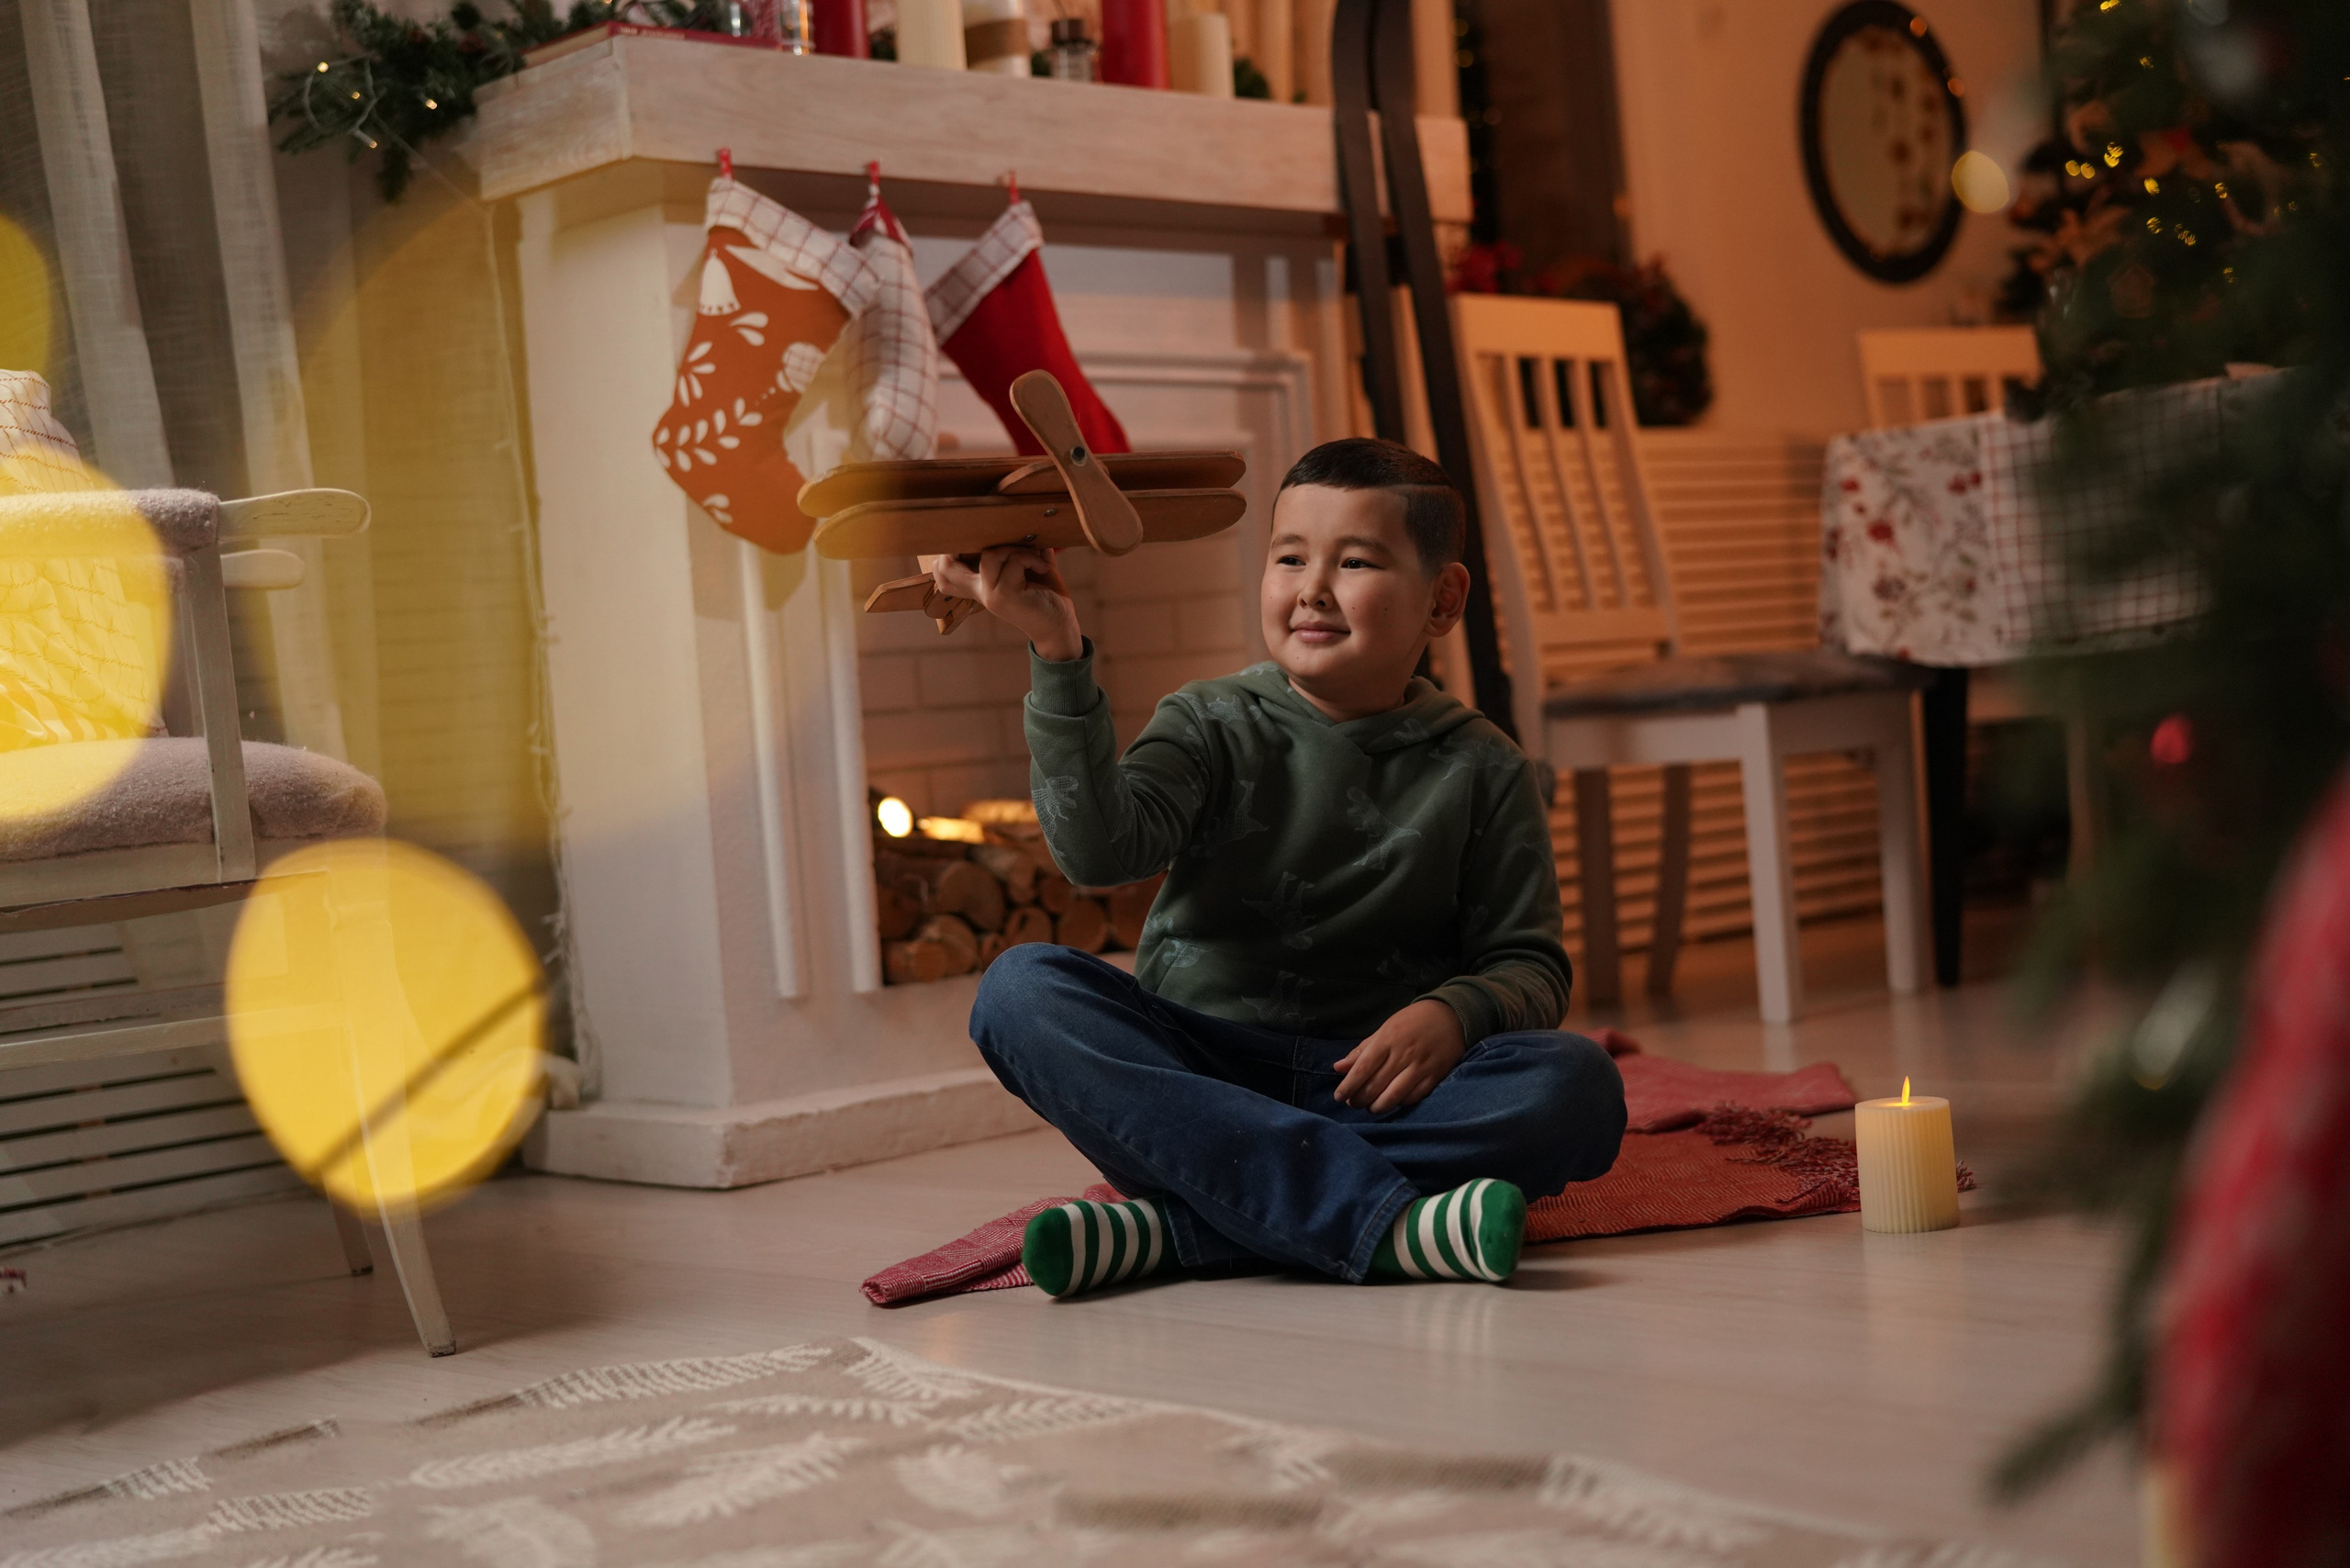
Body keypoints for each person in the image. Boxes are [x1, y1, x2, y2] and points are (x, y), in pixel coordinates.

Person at [936, 437, 1625, 1296]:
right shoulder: (1208, 720)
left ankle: (1185, 1229)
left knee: (1578, 1087)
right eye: (1289, 557)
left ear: (1443, 601)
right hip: (1201, 1074)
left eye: (1357, 561)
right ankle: (1387, 1225)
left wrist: (1455, 1014)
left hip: (1379, 1090)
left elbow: (1529, 963)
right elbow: (1099, 854)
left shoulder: (1485, 767)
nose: (1312, 589)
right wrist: (1056, 650)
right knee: (1018, 991)